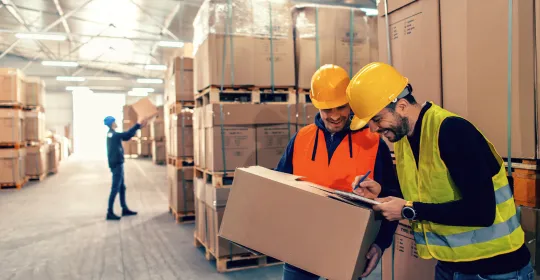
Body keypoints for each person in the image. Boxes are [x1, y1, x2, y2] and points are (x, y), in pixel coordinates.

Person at [348, 62, 532, 279]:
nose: (374, 129)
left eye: (377, 119)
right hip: (450, 267)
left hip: (497, 271)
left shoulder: (453, 132)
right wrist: (381, 192)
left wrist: (409, 210)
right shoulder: (404, 141)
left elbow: (482, 211)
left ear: (402, 105)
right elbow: (422, 194)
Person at [275, 64, 400, 279]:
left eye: (341, 107)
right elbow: (278, 186)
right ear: (317, 106)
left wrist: (380, 244)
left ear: (350, 103)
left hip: (349, 245)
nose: (334, 116)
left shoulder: (373, 141)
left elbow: (391, 195)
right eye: (327, 109)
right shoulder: (301, 139)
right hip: (302, 244)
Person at [103, 115, 147, 221]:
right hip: (117, 164)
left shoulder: (111, 134)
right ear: (112, 123)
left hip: (117, 163)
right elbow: (126, 135)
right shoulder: (113, 135)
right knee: (115, 188)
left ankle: (124, 209)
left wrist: (139, 127)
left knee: (122, 187)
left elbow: (126, 137)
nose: (116, 122)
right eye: (114, 121)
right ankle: (109, 212)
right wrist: (137, 124)